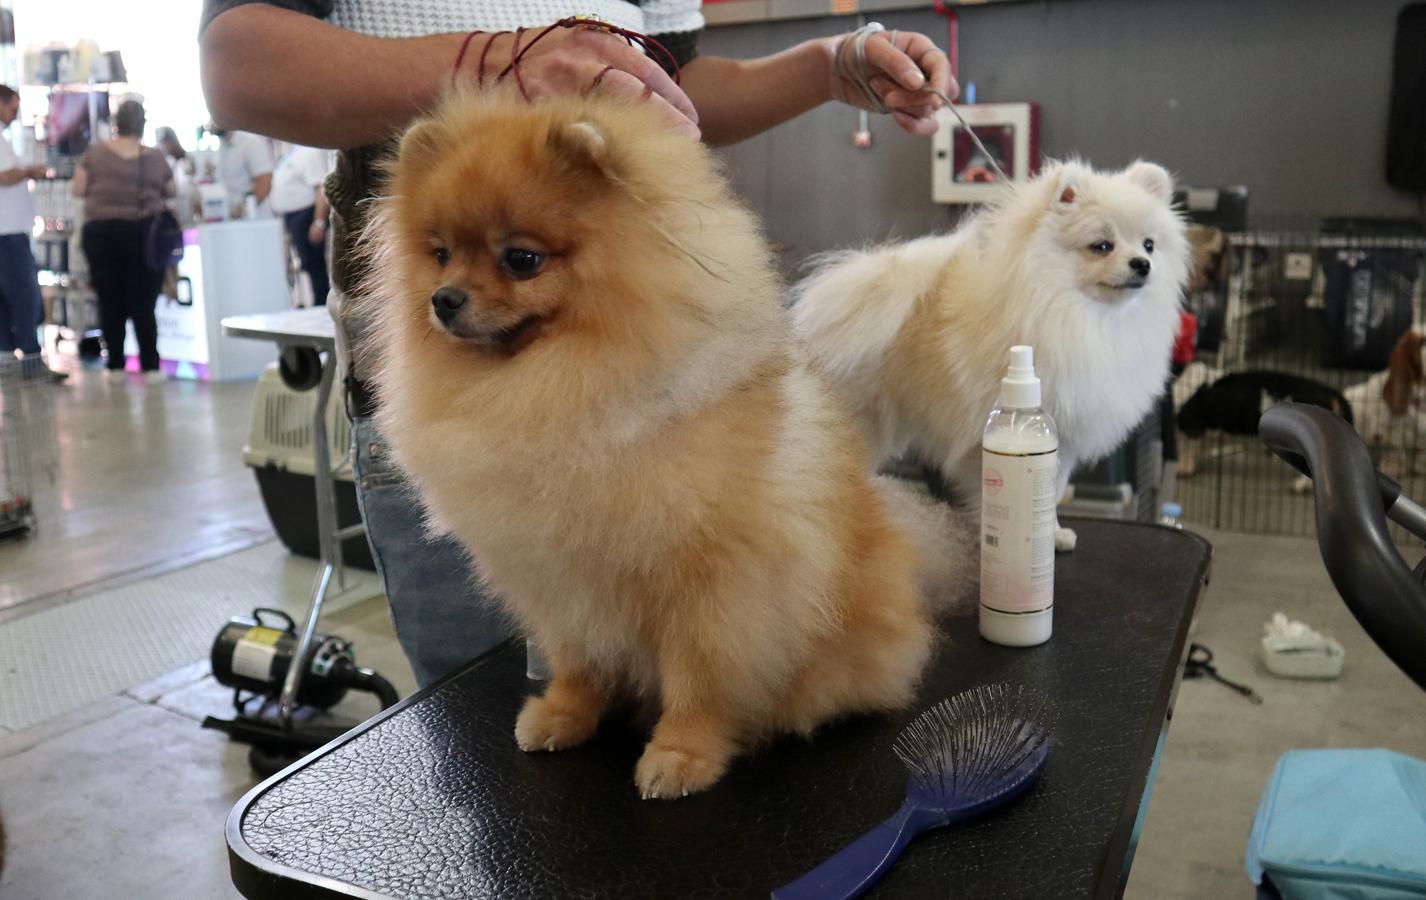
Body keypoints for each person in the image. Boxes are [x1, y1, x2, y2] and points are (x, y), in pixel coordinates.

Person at [200, 0, 955, 687]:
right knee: (489, 751)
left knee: (703, 628)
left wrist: (823, 67)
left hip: (665, 397)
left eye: (520, 261)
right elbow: (236, 64)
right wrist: (492, 63)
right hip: (458, 402)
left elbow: (671, 83)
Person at [72, 99, 175, 384]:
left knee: (110, 299)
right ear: (142, 123)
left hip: (101, 234)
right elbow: (171, 189)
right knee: (144, 301)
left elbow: (78, 188)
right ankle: (150, 366)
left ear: (116, 122)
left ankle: (115, 365)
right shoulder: (153, 157)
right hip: (144, 233)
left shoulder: (94, 153)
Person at [0, 85, 65, 381]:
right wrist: (28, 171)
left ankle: (10, 360)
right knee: (24, 297)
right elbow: (3, 176)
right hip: (8, 234)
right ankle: (29, 359)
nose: (14, 116)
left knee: (8, 298)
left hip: (10, 230)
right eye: (12, 108)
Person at [269, 144, 333, 306]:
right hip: (294, 217)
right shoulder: (292, 151)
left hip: (306, 215)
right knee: (307, 264)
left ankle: (321, 305)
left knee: (314, 265)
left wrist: (318, 222)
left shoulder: (310, 151)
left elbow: (321, 188)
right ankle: (317, 303)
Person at [212, 125, 274, 218]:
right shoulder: (223, 145)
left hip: (254, 218)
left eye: (213, 119)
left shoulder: (250, 142)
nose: (211, 124)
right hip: (234, 218)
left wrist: (241, 210)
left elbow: (265, 183)